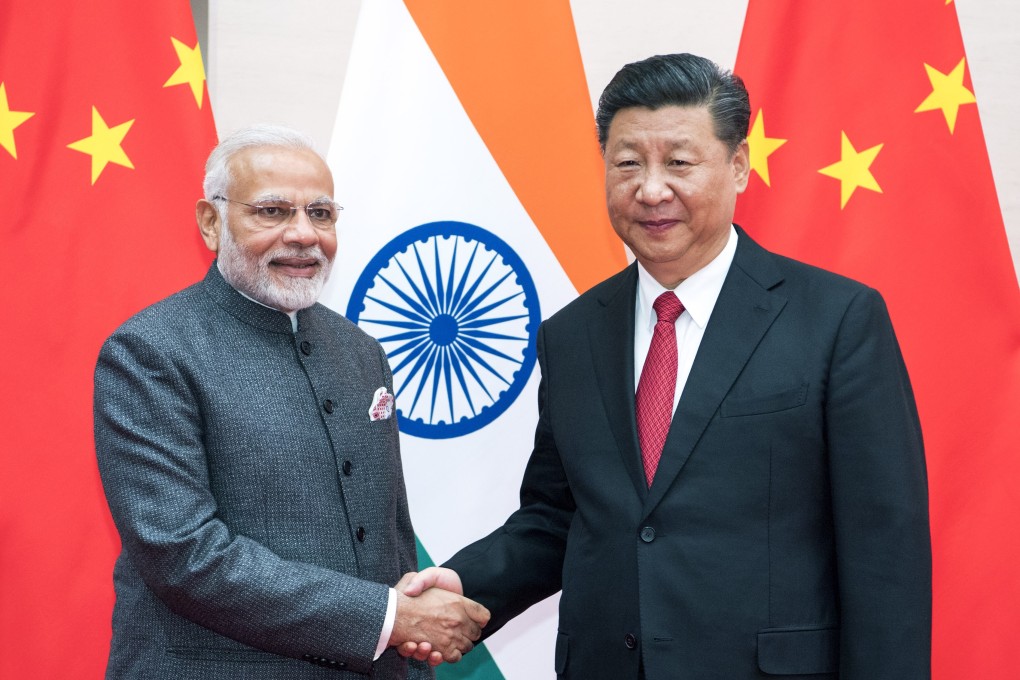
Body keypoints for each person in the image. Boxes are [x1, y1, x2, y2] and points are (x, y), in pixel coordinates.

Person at [401, 54, 932, 679]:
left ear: (738, 166)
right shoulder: (572, 334)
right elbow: (559, 516)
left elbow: (884, 551)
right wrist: (464, 583)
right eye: (628, 163)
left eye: (679, 162)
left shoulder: (837, 318)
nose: (651, 190)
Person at [93, 124, 488, 679]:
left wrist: (407, 633)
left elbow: (388, 535)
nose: (304, 235)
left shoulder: (359, 351)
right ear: (212, 222)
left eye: (321, 213)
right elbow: (183, 554)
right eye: (273, 211)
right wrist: (390, 618)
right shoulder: (149, 351)